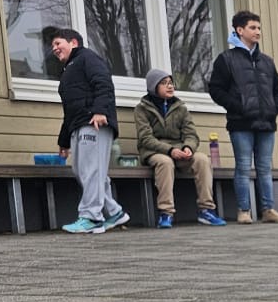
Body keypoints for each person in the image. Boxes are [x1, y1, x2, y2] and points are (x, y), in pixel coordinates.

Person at [207, 10, 278, 224]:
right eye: (253, 28)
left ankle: (268, 210)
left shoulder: (267, 62)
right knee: (243, 167)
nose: (257, 31)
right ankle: (244, 211)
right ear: (240, 30)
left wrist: (275, 108)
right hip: (241, 123)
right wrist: (238, 107)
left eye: (259, 28)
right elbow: (216, 89)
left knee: (265, 168)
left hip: (266, 123)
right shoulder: (226, 60)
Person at [50, 29, 128, 234]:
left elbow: (103, 83)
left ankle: (91, 217)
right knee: (84, 171)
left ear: (73, 42)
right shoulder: (68, 70)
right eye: (53, 46)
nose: (54, 49)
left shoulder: (87, 58)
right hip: (78, 124)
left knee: (91, 171)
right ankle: (114, 212)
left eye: (58, 43)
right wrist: (64, 141)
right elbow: (70, 110)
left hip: (94, 122)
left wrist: (100, 110)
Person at [135, 68, 223, 229]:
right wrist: (170, 150)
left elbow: (191, 134)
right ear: (153, 87)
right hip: (155, 151)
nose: (170, 86)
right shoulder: (142, 109)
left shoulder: (180, 107)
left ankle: (206, 210)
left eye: (171, 83)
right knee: (165, 162)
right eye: (164, 83)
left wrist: (188, 147)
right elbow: (146, 138)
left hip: (179, 150)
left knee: (202, 159)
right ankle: (166, 212)